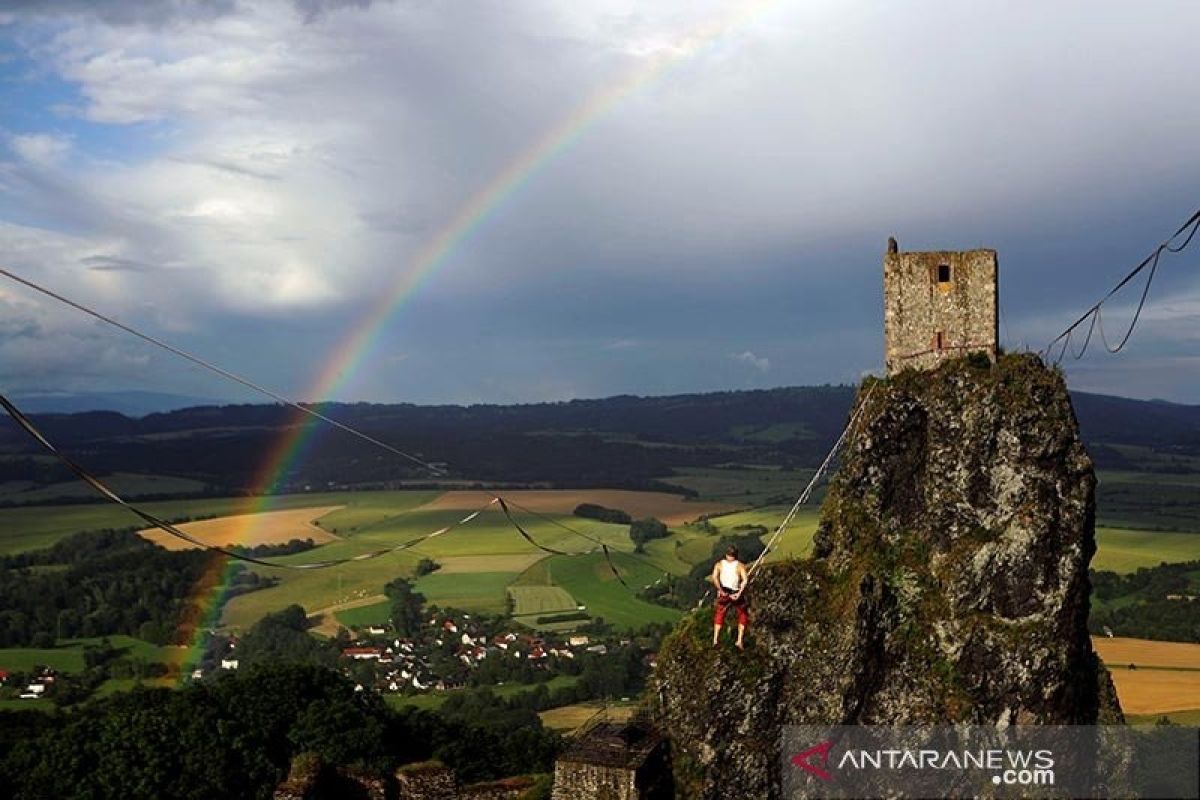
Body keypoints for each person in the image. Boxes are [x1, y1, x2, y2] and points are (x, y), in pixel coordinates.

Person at [712, 546, 749, 649]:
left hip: (724, 592)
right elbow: (745, 580)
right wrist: (739, 593)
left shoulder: (719, 564)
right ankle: (739, 640)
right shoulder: (740, 566)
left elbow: (714, 577)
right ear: (736, 555)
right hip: (735, 593)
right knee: (743, 614)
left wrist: (720, 590)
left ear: (726, 554)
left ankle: (715, 640)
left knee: (720, 613)